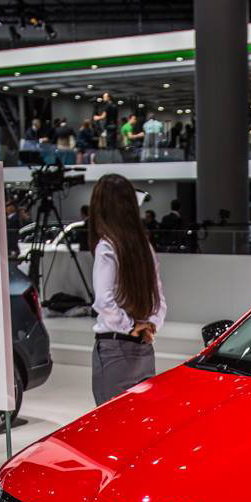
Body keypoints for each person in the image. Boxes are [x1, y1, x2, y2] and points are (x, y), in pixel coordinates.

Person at [88, 173, 166, 406]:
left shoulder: (107, 246)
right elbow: (159, 298)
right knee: (141, 419)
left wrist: (130, 326)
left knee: (111, 420)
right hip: (144, 349)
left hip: (115, 350)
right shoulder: (144, 246)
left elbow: (104, 301)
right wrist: (151, 324)